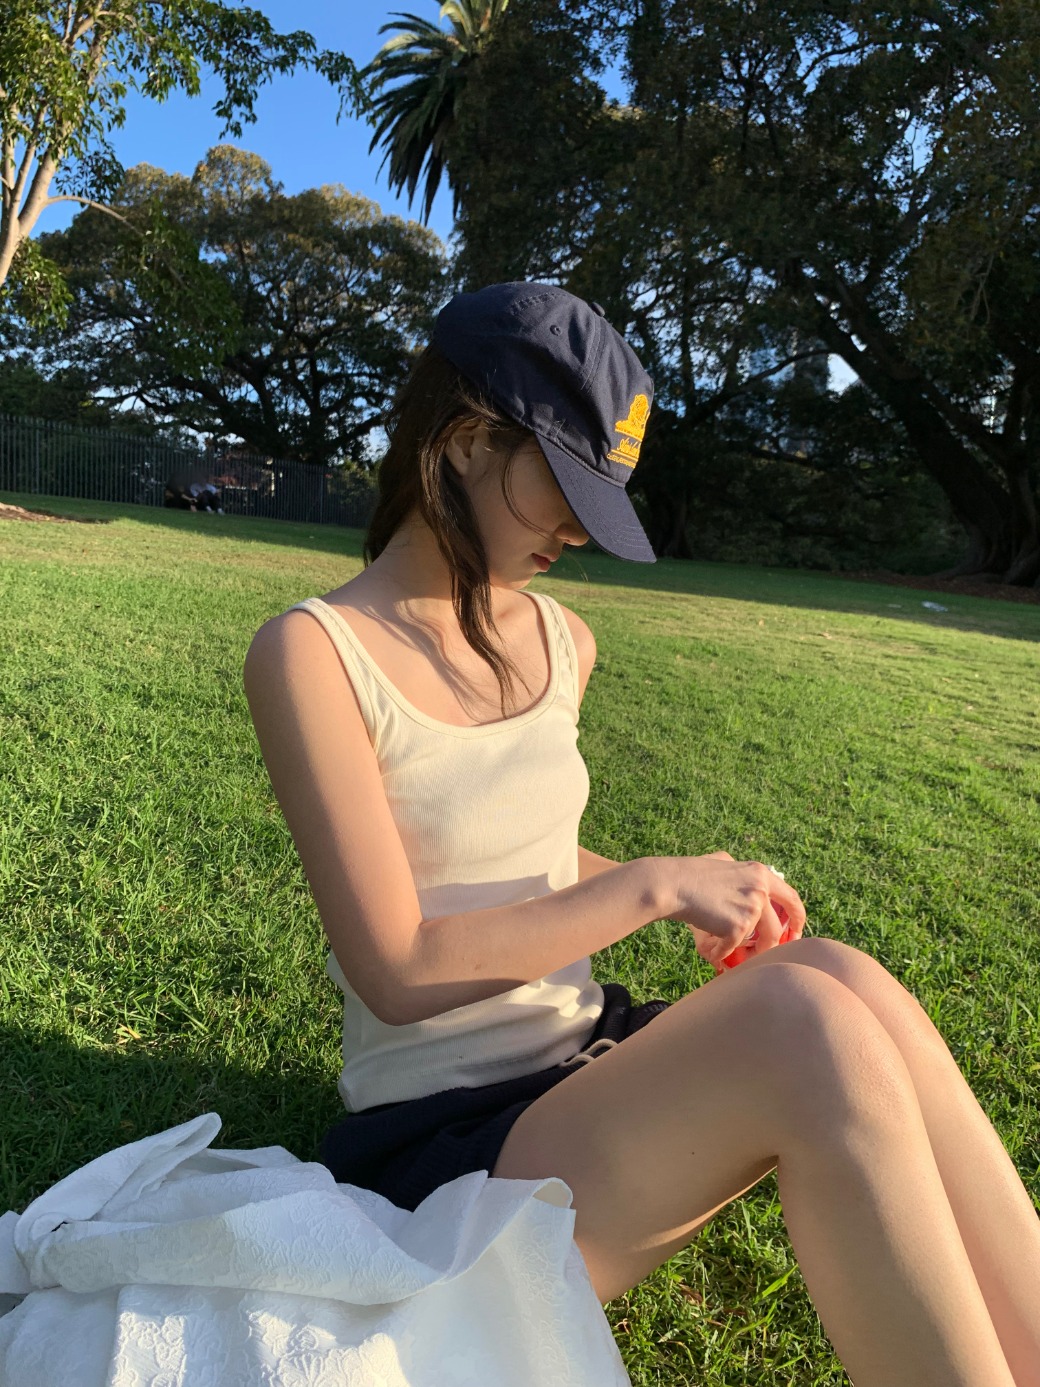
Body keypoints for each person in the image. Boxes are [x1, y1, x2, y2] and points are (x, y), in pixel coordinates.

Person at [242, 282, 1040, 1387]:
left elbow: (518, 852)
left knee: (838, 974)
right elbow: (398, 966)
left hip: (582, 1059)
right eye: (562, 488)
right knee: (803, 1026)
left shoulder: (563, 640)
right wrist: (653, 888)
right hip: (445, 1141)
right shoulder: (313, 653)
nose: (576, 531)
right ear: (465, 440)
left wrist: (703, 888)